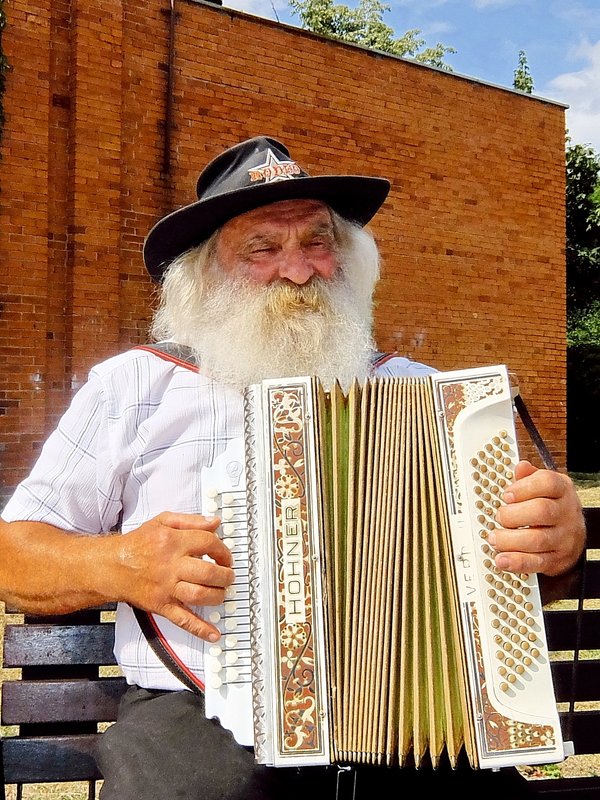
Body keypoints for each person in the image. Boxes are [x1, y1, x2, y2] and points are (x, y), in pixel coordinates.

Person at [0, 136, 587, 800]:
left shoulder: (427, 396)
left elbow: (517, 577)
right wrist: (118, 564)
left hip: (420, 727)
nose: (301, 271)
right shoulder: (135, 388)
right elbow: (13, 555)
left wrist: (556, 548)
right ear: (204, 275)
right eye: (263, 249)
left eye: (317, 242)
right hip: (200, 727)